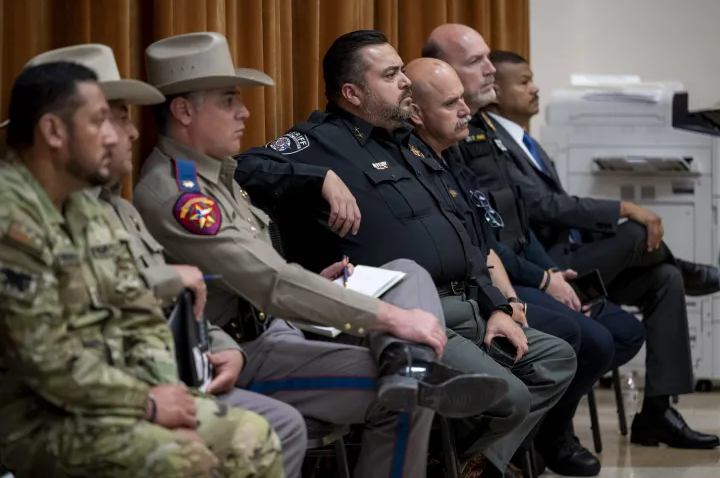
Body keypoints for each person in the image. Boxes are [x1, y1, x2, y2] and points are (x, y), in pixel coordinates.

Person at [132, 31, 506, 478]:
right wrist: (390, 319)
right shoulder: (180, 194)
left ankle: (409, 365)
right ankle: (411, 367)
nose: (245, 111)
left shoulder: (217, 176)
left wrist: (324, 283)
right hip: (238, 351)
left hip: (276, 331)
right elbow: (269, 281)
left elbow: (261, 270)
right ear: (184, 110)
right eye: (229, 100)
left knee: (406, 275)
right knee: (411, 392)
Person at [233, 30, 577, 478]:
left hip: (467, 305)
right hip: (399, 316)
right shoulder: (321, 142)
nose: (405, 83)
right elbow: (245, 167)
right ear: (352, 93)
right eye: (392, 74)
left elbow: (463, 230)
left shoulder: (408, 143)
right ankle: (449, 459)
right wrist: (317, 177)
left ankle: (457, 462)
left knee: (556, 359)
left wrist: (498, 306)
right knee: (508, 398)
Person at [20, 43, 309, 478]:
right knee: (222, 445)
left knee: (254, 435)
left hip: (126, 387)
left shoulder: (95, 209)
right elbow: (45, 359)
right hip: (47, 413)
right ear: (54, 133)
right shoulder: (19, 220)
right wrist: (151, 404)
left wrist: (177, 392)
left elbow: (141, 315)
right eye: (106, 119)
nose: (130, 133)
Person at [420, 25, 648, 474]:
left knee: (621, 330)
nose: (488, 70)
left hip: (513, 270)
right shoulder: (442, 138)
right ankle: (532, 441)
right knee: (586, 338)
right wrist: (536, 282)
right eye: (476, 62)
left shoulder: (486, 130)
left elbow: (514, 221)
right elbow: (488, 240)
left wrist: (549, 276)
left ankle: (537, 433)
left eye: (489, 60)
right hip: (483, 283)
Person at [482, 49, 720, 451]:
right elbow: (541, 207)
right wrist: (624, 207)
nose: (534, 87)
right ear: (495, 90)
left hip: (573, 256)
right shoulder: (486, 140)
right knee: (632, 233)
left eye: (532, 78)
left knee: (664, 278)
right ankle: (678, 261)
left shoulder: (526, 142)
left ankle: (657, 413)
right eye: (523, 81)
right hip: (551, 266)